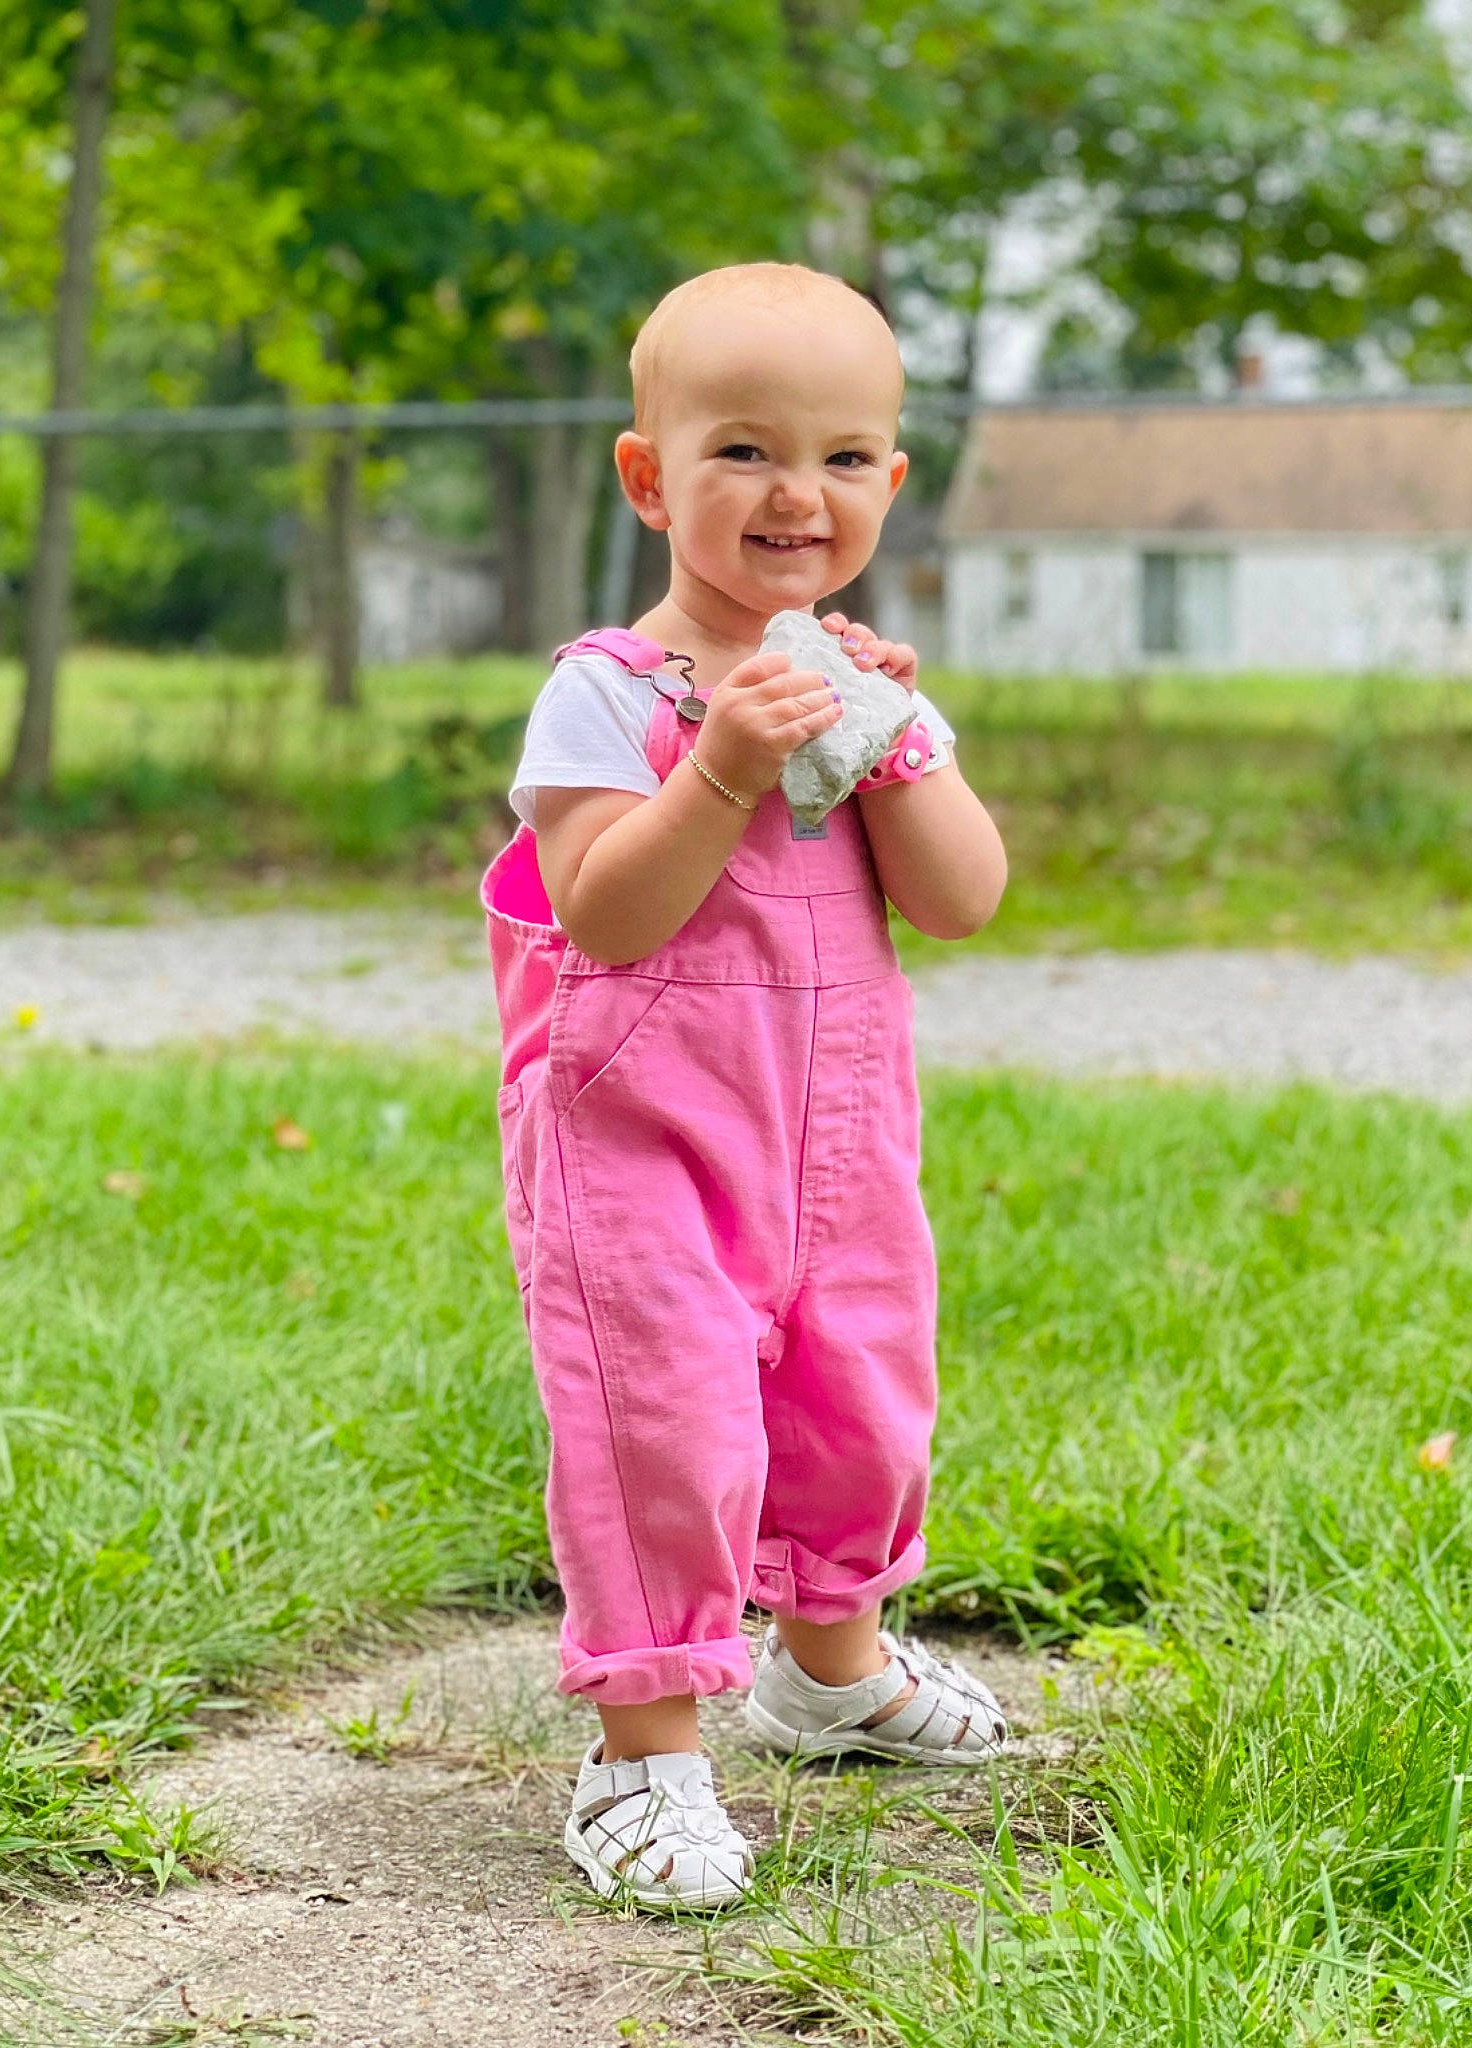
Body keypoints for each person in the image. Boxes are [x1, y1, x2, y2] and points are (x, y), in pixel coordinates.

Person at [482, 262, 1011, 1912]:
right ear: (651, 478)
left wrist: (892, 741)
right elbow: (605, 910)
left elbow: (962, 898)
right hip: (641, 1135)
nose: (799, 494)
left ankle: (830, 1666)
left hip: (835, 1137)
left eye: (845, 458)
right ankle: (642, 1755)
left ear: (890, 483)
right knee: (669, 1428)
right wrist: (724, 764)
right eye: (744, 453)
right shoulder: (606, 692)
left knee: (856, 1397)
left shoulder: (854, 684)